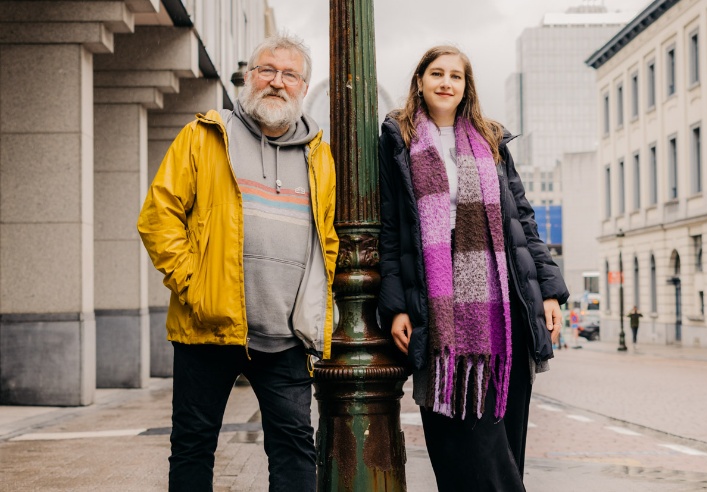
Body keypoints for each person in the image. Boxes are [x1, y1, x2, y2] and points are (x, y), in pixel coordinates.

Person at [137, 34, 338, 492]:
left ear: (303, 87)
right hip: (207, 326)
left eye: (289, 74)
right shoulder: (206, 135)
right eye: (267, 70)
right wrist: (195, 285)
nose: (276, 82)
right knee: (193, 443)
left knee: (293, 446)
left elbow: (327, 238)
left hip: (285, 336)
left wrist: (314, 307)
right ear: (249, 77)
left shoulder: (319, 156)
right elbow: (157, 218)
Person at [377, 45, 569, 491]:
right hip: (439, 318)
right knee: (467, 454)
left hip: (506, 318)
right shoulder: (398, 142)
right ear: (420, 81)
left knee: (506, 450)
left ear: (467, 86)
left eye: (456, 76)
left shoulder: (490, 140)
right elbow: (390, 233)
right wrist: (396, 307)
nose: (446, 83)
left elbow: (523, 222)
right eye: (437, 74)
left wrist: (550, 292)